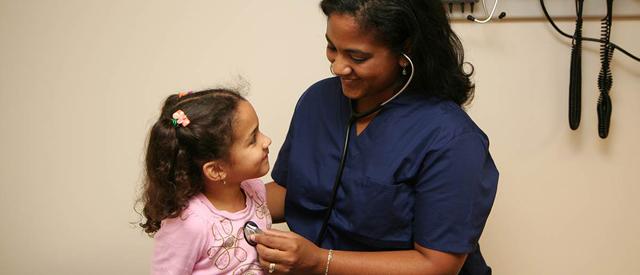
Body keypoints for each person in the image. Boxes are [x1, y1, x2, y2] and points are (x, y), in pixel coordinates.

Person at [254, 0, 499, 274]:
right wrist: (207, 201)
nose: (338, 67)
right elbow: (294, 191)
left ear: (405, 49)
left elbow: (436, 265)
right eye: (332, 48)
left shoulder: (452, 139)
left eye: (357, 57)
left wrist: (319, 261)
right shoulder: (318, 100)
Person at [139, 89, 273, 275]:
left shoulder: (255, 189)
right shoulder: (189, 224)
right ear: (216, 170)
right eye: (252, 139)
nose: (267, 141)